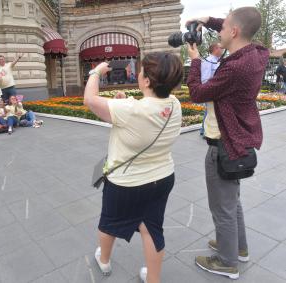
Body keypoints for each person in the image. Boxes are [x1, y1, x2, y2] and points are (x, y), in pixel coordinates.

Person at [83, 52, 183, 283]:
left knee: (109, 223)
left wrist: (96, 72)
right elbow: (147, 110)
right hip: (163, 178)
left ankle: (104, 261)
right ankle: (153, 279)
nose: (138, 74)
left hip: (126, 183)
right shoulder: (174, 104)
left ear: (147, 81)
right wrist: (125, 101)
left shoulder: (129, 109)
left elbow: (90, 99)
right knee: (152, 228)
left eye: (141, 72)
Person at [186, 7, 269, 280]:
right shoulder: (257, 52)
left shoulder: (234, 67)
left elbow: (197, 93)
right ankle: (238, 247)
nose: (219, 31)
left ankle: (226, 260)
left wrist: (195, 60)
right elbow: (233, 26)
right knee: (233, 202)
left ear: (234, 32)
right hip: (240, 141)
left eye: (223, 28)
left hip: (224, 145)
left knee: (222, 207)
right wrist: (207, 20)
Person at [199, 43, 223, 137]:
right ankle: (204, 131)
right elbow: (205, 78)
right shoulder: (208, 61)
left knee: (211, 110)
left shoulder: (217, 61)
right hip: (211, 89)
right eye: (220, 48)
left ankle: (204, 130)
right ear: (215, 49)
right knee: (210, 110)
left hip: (217, 89)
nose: (222, 50)